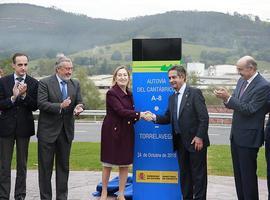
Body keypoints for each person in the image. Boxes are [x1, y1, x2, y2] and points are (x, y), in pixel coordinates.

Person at [146, 65, 209, 200]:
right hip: (180, 143)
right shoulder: (172, 97)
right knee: (185, 175)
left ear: (183, 77)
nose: (171, 80)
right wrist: (153, 117)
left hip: (196, 142)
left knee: (199, 176)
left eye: (174, 77)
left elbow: (204, 118)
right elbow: (168, 118)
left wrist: (199, 136)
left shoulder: (194, 93)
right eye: (169, 78)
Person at [214, 55, 270, 200]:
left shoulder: (263, 86)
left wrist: (229, 98)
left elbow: (250, 109)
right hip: (236, 136)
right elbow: (236, 102)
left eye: (240, 69)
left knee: (248, 177)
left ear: (251, 68)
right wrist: (225, 98)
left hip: (249, 138)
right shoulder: (241, 80)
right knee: (239, 176)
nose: (238, 72)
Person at [37, 55, 84, 200]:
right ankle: (46, 198)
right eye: (67, 69)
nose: (70, 72)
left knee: (63, 168)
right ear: (58, 69)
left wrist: (79, 107)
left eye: (71, 69)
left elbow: (80, 102)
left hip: (66, 133)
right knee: (45, 169)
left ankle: (62, 197)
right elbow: (41, 104)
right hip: (47, 133)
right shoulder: (45, 83)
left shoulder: (75, 84)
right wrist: (60, 106)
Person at [100, 65, 147, 200]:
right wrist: (140, 115)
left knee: (125, 163)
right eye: (119, 75)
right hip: (112, 131)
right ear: (115, 78)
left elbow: (129, 114)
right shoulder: (111, 93)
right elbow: (120, 111)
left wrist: (138, 117)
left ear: (128, 78)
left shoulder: (130, 94)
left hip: (126, 130)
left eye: (125, 75)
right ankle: (104, 192)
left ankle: (121, 193)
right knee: (107, 163)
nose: (122, 77)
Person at [0, 53, 38, 200]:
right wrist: (13, 97)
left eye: (25, 64)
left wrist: (23, 96)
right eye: (20, 64)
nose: (23, 67)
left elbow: (35, 106)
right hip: (5, 129)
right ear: (13, 65)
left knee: (22, 165)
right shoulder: (3, 81)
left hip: (24, 129)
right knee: (4, 165)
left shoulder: (34, 83)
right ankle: (3, 196)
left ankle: (20, 195)